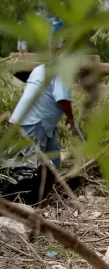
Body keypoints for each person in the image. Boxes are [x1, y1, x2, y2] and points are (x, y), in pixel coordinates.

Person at [8, 19, 77, 169]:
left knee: (54, 159)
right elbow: (63, 100)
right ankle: (32, 189)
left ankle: (54, 184)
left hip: (41, 123)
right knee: (31, 165)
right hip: (34, 122)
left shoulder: (42, 68)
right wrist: (71, 118)